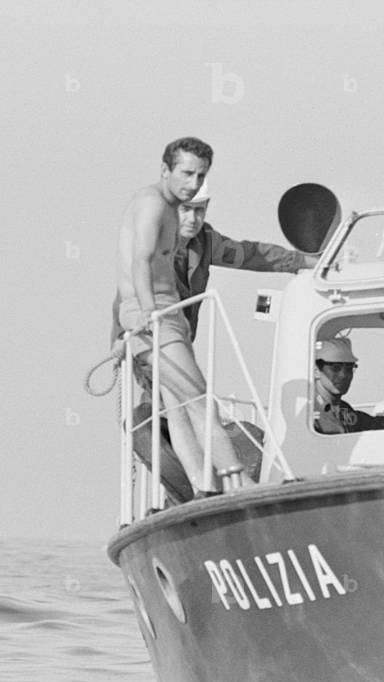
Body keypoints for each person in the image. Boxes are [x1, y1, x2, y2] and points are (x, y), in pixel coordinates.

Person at [115, 136, 253, 495]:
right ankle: (238, 481)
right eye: (187, 174)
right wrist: (149, 313)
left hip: (165, 311)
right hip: (156, 314)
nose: (193, 183)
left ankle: (202, 486)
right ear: (165, 170)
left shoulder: (172, 211)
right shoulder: (153, 203)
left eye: (201, 175)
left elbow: (247, 253)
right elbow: (140, 260)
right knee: (199, 401)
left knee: (178, 405)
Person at [110, 178, 318, 344]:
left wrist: (304, 261)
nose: (193, 219)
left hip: (179, 342)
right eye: (185, 209)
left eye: (199, 210)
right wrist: (120, 339)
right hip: (145, 340)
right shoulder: (150, 244)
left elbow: (252, 255)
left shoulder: (206, 241)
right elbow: (127, 296)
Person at [313, 337, 384, 434]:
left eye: (349, 368)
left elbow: (383, 424)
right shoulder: (309, 413)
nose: (343, 375)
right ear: (316, 371)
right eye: (335, 368)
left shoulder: (344, 410)